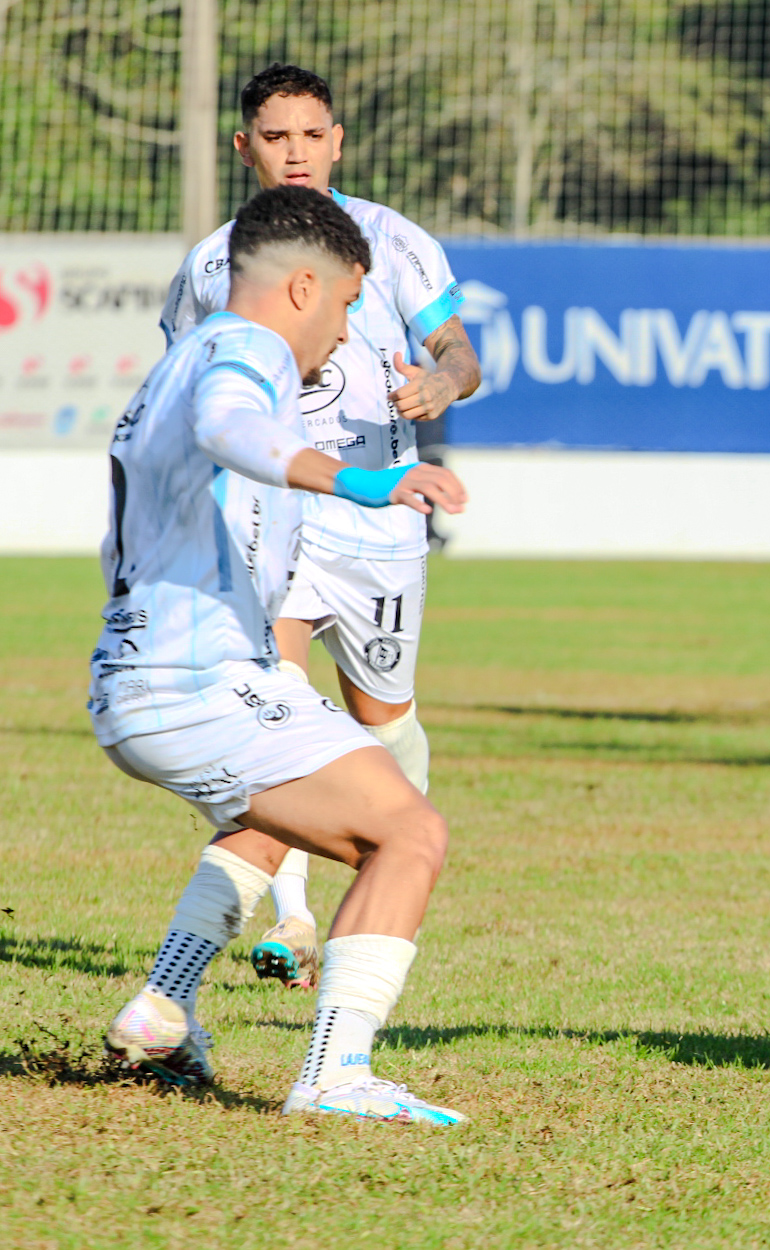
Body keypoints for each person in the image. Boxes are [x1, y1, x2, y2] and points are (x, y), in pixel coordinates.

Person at [98, 185, 471, 1124]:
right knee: (410, 833)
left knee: (295, 812)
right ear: (303, 287)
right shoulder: (247, 350)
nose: (346, 335)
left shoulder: (182, 356)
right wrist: (365, 480)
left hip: (158, 674)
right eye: (347, 306)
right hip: (192, 681)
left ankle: (163, 1007)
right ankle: (336, 1073)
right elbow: (234, 428)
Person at [161, 64, 481, 991]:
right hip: (267, 524)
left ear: (337, 141)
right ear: (244, 146)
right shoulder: (212, 265)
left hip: (378, 534)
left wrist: (441, 382)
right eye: (274, 135)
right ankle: (293, 923)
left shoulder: (393, 240)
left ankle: (376, 869)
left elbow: (460, 351)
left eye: (311, 134)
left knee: (385, 726)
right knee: (282, 730)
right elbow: (187, 383)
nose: (294, 151)